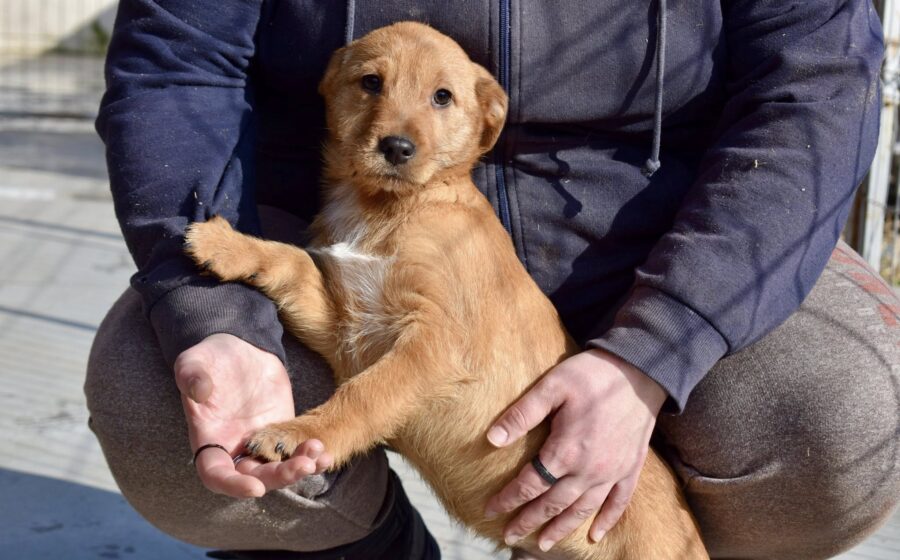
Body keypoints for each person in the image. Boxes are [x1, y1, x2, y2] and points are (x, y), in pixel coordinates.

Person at [85, 1, 900, 559]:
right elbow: (176, 57)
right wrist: (213, 310)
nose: (398, 123)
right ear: (336, 82)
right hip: (307, 209)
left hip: (659, 233)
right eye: (370, 84)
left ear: (482, 119)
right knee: (154, 398)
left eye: (440, 100)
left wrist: (659, 347)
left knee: (841, 410)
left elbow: (818, 84)